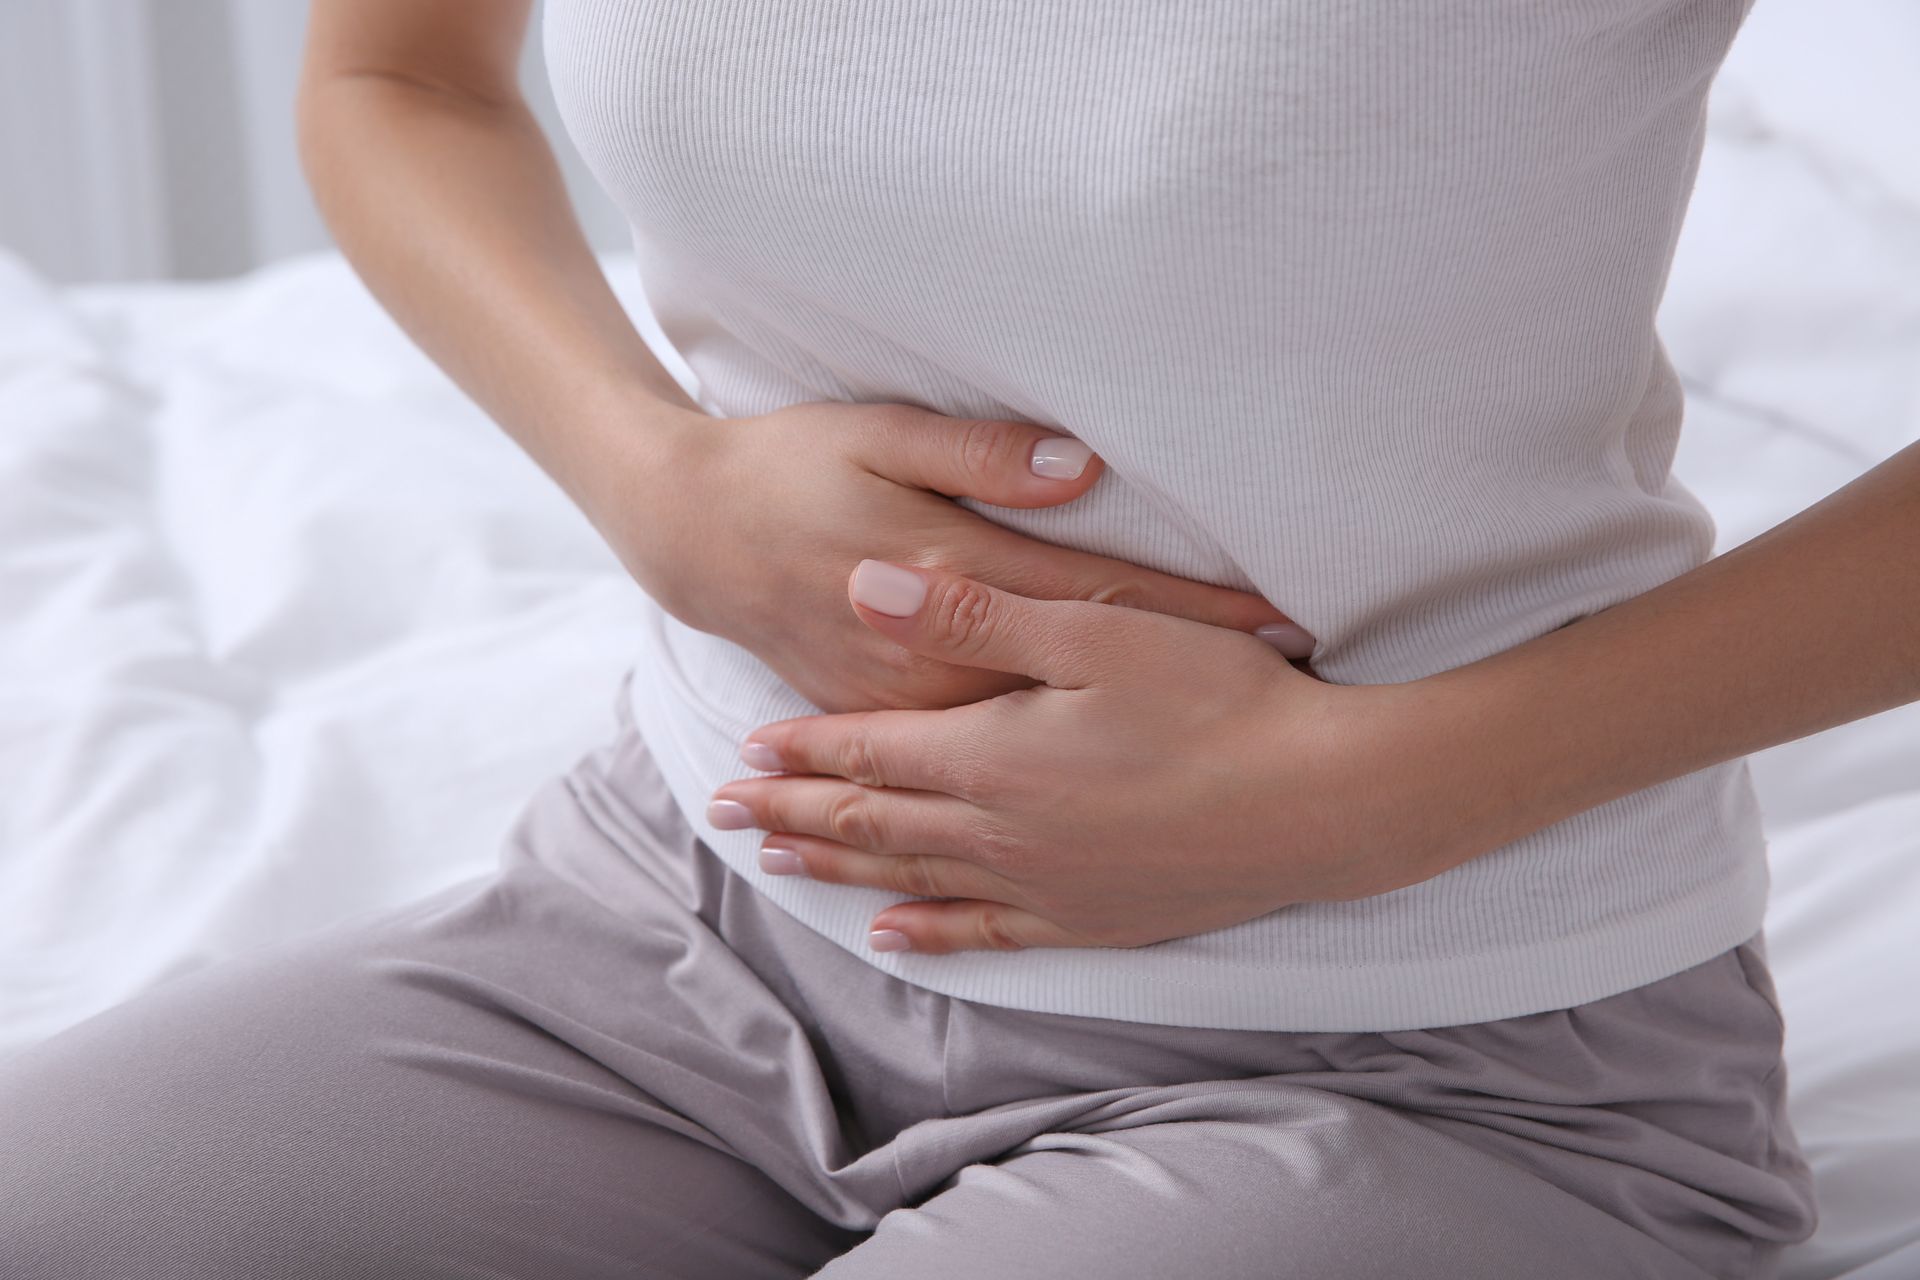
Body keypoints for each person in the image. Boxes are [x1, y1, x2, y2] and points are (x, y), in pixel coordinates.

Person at [13, 0, 1918, 1274]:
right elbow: (399, 77)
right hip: (686, 909)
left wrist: (1376, 793)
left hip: (1437, 1052)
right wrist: (655, 481)